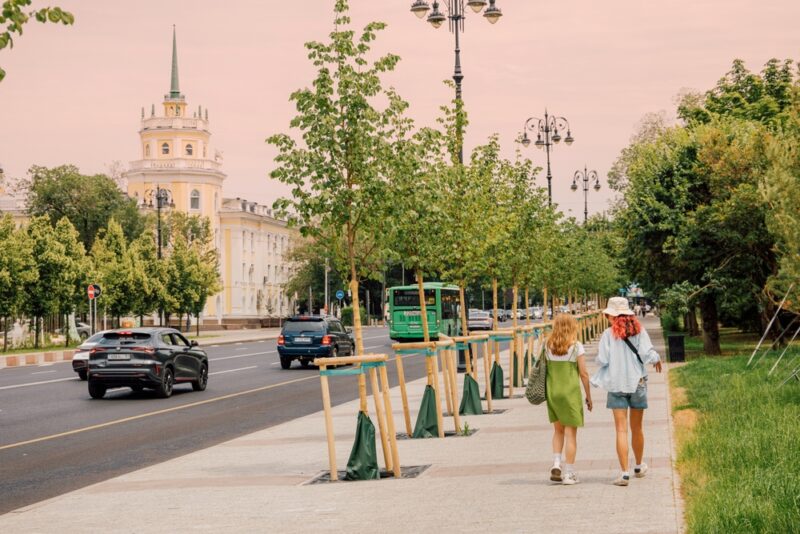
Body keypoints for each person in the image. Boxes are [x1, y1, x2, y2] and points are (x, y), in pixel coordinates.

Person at [591, 297, 662, 486]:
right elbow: (647, 354)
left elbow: (602, 360)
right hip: (637, 383)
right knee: (637, 428)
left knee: (621, 430)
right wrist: (656, 359)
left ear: (612, 316)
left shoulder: (607, 335)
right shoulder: (639, 331)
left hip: (616, 385)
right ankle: (638, 466)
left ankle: (624, 473)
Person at [544, 314, 592, 485]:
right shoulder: (576, 347)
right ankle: (569, 474)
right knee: (571, 434)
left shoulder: (547, 345)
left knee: (558, 431)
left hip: (553, 393)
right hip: (570, 394)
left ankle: (556, 463)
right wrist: (588, 396)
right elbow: (584, 373)